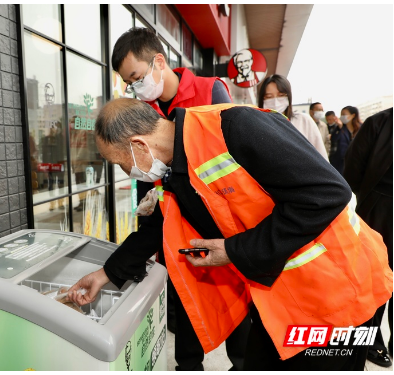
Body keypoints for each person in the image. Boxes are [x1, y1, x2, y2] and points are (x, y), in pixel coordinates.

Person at [68, 98, 392, 371]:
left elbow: (327, 194)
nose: (127, 172)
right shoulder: (176, 168)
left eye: (121, 163)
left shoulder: (235, 126)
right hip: (281, 297)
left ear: (139, 145)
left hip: (337, 293)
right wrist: (106, 274)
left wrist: (235, 250)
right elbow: (158, 227)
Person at [111, 26, 249, 371]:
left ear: (158, 61)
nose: (134, 88)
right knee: (186, 303)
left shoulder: (210, 90)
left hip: (221, 223)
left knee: (236, 305)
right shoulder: (146, 109)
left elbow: (229, 164)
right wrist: (150, 198)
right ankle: (188, 365)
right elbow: (150, 167)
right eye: (128, 83)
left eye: (136, 77)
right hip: (175, 224)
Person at [343, 107, 393, 368]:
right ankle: (370, 342)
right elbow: (352, 171)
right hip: (378, 213)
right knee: (372, 282)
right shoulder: (378, 123)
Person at [258, 75, 329, 160]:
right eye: (269, 97)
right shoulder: (257, 125)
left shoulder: (304, 121)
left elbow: (321, 157)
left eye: (281, 95)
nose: (275, 102)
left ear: (288, 97)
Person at [40, 121, 66, 211]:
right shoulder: (45, 139)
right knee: (51, 185)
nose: (53, 130)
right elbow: (43, 154)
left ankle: (60, 203)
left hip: (59, 164)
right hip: (50, 165)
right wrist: (45, 168)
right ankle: (52, 204)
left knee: (61, 184)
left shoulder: (60, 138)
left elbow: (64, 150)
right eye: (52, 128)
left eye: (55, 128)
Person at [330, 105, 362, 175]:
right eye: (341, 115)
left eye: (344, 114)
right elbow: (333, 139)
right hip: (340, 162)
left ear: (353, 115)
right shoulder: (339, 127)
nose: (342, 117)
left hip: (356, 161)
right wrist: (339, 127)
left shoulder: (361, 128)